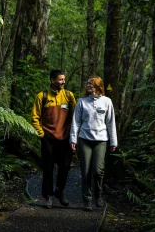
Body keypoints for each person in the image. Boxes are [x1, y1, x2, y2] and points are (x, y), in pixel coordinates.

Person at [69, 76, 117, 211]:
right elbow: (76, 122)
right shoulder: (82, 101)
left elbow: (110, 123)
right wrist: (73, 139)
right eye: (88, 83)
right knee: (85, 171)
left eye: (91, 83)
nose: (88, 85)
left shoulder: (107, 101)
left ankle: (98, 195)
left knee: (97, 171)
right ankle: (87, 199)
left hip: (101, 140)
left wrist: (113, 141)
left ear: (98, 85)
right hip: (84, 139)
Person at [31, 70, 76, 209]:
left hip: (65, 139)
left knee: (65, 167)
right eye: (60, 79)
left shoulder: (69, 96)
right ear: (52, 80)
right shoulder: (42, 96)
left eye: (64, 79)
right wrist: (41, 134)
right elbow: (35, 118)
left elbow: (75, 116)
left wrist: (73, 135)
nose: (63, 81)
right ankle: (48, 196)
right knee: (48, 169)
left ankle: (59, 191)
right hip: (48, 139)